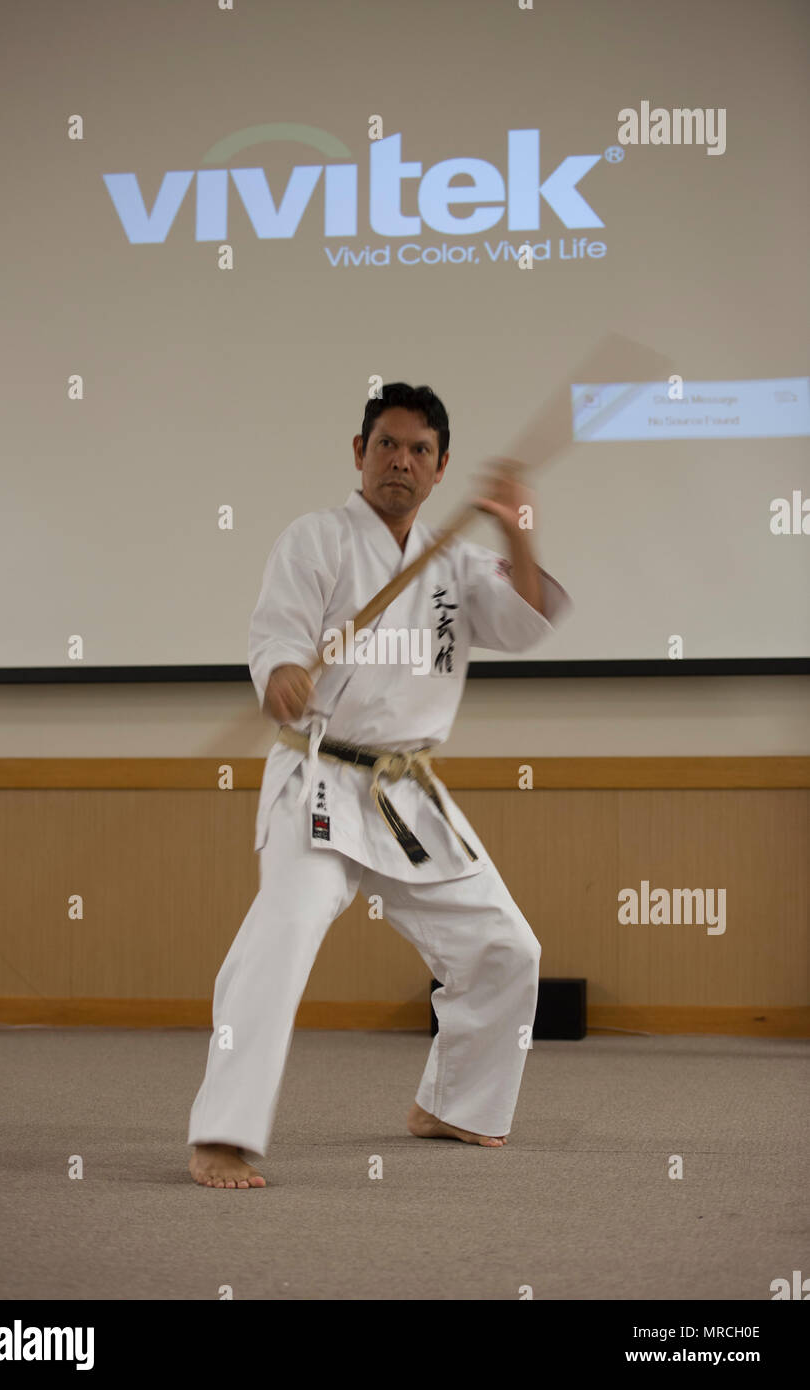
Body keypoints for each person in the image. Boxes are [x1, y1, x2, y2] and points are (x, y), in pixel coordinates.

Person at [188, 383, 571, 1189]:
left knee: (507, 948)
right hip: (319, 778)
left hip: (405, 793)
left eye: (419, 450)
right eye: (387, 444)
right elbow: (277, 640)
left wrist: (516, 525)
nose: (401, 460)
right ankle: (221, 1134)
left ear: (439, 471)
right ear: (358, 453)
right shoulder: (315, 539)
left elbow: (528, 621)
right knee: (281, 938)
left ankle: (453, 1104)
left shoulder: (456, 561)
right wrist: (284, 677)